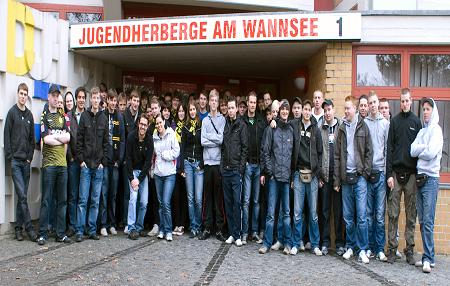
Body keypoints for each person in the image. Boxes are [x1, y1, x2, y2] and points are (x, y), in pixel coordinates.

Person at [334, 95, 372, 264]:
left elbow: (369, 152)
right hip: (345, 179)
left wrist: (365, 173)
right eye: (345, 108)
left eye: (348, 108)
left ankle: (363, 249)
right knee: (348, 217)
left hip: (359, 178)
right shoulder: (341, 129)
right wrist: (337, 179)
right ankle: (350, 246)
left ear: (355, 109)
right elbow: (336, 156)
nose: (346, 111)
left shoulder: (363, 127)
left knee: (362, 216)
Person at [386, 88, 421, 264]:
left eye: (407, 100)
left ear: (411, 101)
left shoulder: (417, 122)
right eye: (402, 101)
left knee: (411, 214)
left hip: (412, 176)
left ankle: (409, 250)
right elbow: (389, 149)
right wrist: (389, 174)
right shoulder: (394, 121)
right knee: (392, 213)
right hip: (395, 174)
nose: (405, 103)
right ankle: (392, 250)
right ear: (399, 102)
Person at [411, 98, 443, 273]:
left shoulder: (436, 130)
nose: (425, 112)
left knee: (428, 222)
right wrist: (424, 148)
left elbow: (431, 153)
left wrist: (421, 150)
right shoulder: (422, 132)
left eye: (428, 109)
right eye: (423, 109)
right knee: (422, 221)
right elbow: (411, 150)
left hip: (430, 179)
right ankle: (426, 257)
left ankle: (429, 258)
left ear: (433, 111)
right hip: (420, 179)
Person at [37, 84, 71, 245]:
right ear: (49, 96)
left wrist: (55, 138)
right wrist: (59, 138)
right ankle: (42, 233)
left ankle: (60, 233)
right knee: (46, 200)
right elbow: (45, 139)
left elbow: (68, 138)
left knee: (62, 201)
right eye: (54, 95)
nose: (57, 98)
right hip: (49, 165)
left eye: (58, 95)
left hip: (62, 165)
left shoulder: (62, 116)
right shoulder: (44, 116)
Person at [75, 87, 109, 242]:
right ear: (90, 99)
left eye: (97, 98)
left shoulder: (104, 118)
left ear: (99, 100)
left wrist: (103, 162)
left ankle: (92, 229)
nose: (95, 100)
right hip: (86, 166)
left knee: (95, 200)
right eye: (93, 98)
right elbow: (79, 141)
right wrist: (81, 161)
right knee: (83, 200)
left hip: (98, 167)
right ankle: (80, 231)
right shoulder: (84, 117)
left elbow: (106, 143)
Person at [258, 100, 293, 255]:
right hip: (274, 178)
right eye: (282, 109)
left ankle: (287, 243)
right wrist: (269, 172)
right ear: (279, 111)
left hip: (286, 178)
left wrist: (291, 175)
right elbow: (265, 152)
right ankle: (267, 243)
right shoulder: (272, 128)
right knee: (271, 213)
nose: (284, 112)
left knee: (286, 213)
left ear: (289, 112)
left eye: (286, 109)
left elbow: (294, 155)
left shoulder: (292, 130)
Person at [4, 83, 37, 242]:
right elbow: (6, 137)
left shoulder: (30, 115)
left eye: (25, 94)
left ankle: (18, 229)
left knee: (21, 196)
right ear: (17, 94)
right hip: (16, 163)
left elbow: (32, 140)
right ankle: (29, 228)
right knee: (23, 196)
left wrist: (30, 157)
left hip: (26, 162)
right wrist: (10, 157)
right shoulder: (12, 113)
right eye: (21, 93)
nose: (23, 96)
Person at [291, 100, 323, 256]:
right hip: (298, 173)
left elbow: (320, 152)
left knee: (313, 212)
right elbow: (281, 122)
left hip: (313, 175)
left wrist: (319, 173)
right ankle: (296, 243)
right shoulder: (294, 127)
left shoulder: (316, 129)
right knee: (297, 212)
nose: (306, 112)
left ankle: (315, 244)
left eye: (309, 109)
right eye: (304, 109)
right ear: (301, 111)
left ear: (311, 112)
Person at [364, 91, 390, 261]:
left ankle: (380, 248)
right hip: (367, 174)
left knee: (380, 215)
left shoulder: (385, 124)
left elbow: (388, 150)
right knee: (367, 215)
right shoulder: (364, 123)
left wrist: (387, 174)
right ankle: (369, 248)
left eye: (374, 102)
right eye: (370, 103)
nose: (373, 105)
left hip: (380, 173)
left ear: (378, 104)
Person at [198, 89, 226, 241]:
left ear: (218, 102)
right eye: (212, 101)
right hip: (208, 163)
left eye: (216, 101)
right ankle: (207, 227)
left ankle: (219, 229)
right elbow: (203, 141)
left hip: (218, 163)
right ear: (208, 102)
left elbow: (221, 140)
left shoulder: (222, 119)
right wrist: (213, 138)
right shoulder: (205, 120)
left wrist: (210, 136)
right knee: (207, 197)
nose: (214, 103)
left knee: (218, 198)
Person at [318, 99, 345, 256]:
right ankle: (325, 242)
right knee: (325, 211)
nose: (327, 113)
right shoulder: (320, 128)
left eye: (329, 109)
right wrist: (320, 175)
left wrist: (340, 177)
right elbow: (318, 153)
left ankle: (340, 243)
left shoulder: (341, 128)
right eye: (325, 110)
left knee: (339, 212)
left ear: (334, 110)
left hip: (338, 177)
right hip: (325, 176)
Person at [221, 96, 248, 247]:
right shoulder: (225, 124)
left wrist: (240, 169)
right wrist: (222, 167)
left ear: (237, 109)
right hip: (225, 170)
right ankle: (231, 233)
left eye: (232, 108)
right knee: (228, 203)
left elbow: (245, 149)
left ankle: (237, 234)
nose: (230, 111)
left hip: (236, 170)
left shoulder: (241, 125)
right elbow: (223, 148)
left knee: (237, 203)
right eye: (229, 108)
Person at [99, 89, 125, 236]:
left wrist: (119, 159)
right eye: (111, 100)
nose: (113, 103)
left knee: (113, 195)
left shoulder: (119, 117)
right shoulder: (102, 116)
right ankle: (102, 224)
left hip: (115, 163)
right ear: (107, 100)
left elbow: (122, 140)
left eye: (115, 100)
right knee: (104, 193)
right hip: (104, 162)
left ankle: (111, 224)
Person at [241, 91, 266, 244]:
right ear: (247, 103)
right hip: (247, 165)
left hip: (258, 166)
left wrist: (263, 168)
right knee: (246, 201)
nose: (252, 105)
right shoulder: (241, 121)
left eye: (254, 103)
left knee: (256, 201)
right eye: (250, 102)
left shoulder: (261, 121)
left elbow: (264, 147)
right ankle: (244, 232)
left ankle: (255, 231)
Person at [153, 114, 180, 241]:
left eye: (160, 122)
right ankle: (162, 229)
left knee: (166, 202)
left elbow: (176, 152)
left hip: (169, 174)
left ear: (164, 122)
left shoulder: (171, 134)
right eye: (156, 123)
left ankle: (168, 230)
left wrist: (165, 155)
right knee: (160, 204)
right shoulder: (154, 137)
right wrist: (153, 169)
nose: (158, 125)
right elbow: (153, 155)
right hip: (158, 174)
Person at [126, 114, 153, 240]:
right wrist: (132, 179)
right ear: (138, 124)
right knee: (133, 199)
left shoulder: (149, 139)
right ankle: (131, 228)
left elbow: (148, 162)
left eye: (145, 125)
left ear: (148, 126)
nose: (142, 126)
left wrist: (139, 179)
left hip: (142, 174)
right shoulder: (131, 137)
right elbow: (128, 159)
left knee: (144, 202)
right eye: (141, 124)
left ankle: (139, 227)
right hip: (132, 173)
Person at [180, 103, 204, 238]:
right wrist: (182, 167)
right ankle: (193, 226)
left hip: (199, 164)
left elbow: (204, 145)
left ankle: (199, 225)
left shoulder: (201, 126)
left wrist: (203, 163)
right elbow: (182, 147)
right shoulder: (185, 127)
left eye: (194, 109)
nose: (192, 111)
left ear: (197, 110)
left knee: (198, 198)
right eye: (190, 110)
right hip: (188, 163)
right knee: (190, 198)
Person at [66, 87, 86, 237]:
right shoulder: (68, 117)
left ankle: (82, 225)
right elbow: (67, 139)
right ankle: (72, 226)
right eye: (78, 97)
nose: (81, 99)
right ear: (75, 99)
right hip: (73, 161)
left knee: (83, 196)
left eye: (83, 97)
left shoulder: (88, 115)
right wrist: (72, 157)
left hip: (85, 163)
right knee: (72, 195)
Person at [122, 89, 140, 234]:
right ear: (130, 101)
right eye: (134, 100)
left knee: (135, 195)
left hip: (138, 161)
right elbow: (122, 138)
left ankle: (135, 223)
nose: (135, 103)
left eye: (138, 101)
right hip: (127, 160)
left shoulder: (139, 117)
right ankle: (125, 222)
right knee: (126, 193)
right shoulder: (124, 116)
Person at [172, 104, 188, 236]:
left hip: (183, 167)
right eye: (179, 111)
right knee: (175, 196)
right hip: (173, 167)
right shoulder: (173, 127)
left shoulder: (188, 126)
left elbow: (185, 149)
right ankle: (176, 223)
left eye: (183, 111)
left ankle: (182, 224)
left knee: (184, 196)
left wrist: (183, 167)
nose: (181, 113)